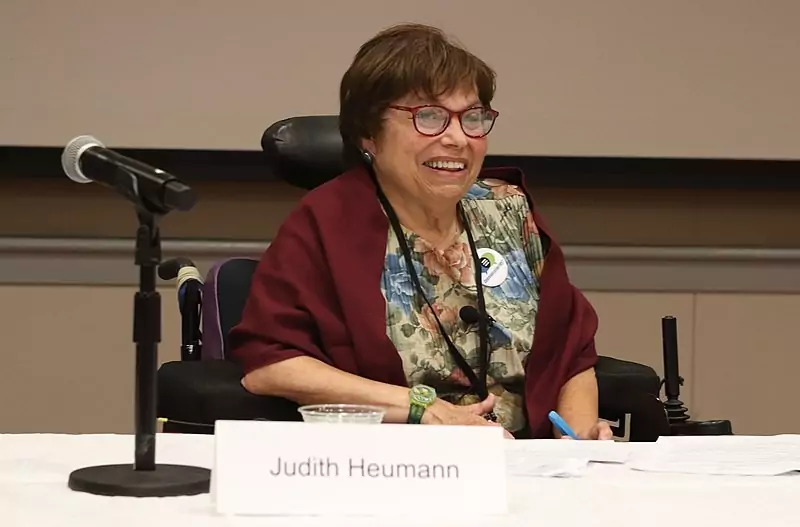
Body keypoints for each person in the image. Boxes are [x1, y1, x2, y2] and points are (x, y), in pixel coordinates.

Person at [229, 23, 612, 440]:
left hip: (524, 466)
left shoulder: (506, 208)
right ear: (368, 134)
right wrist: (423, 410)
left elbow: (570, 352)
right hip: (396, 466)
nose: (457, 139)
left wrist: (574, 442)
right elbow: (270, 367)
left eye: (473, 118)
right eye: (428, 117)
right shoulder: (327, 222)